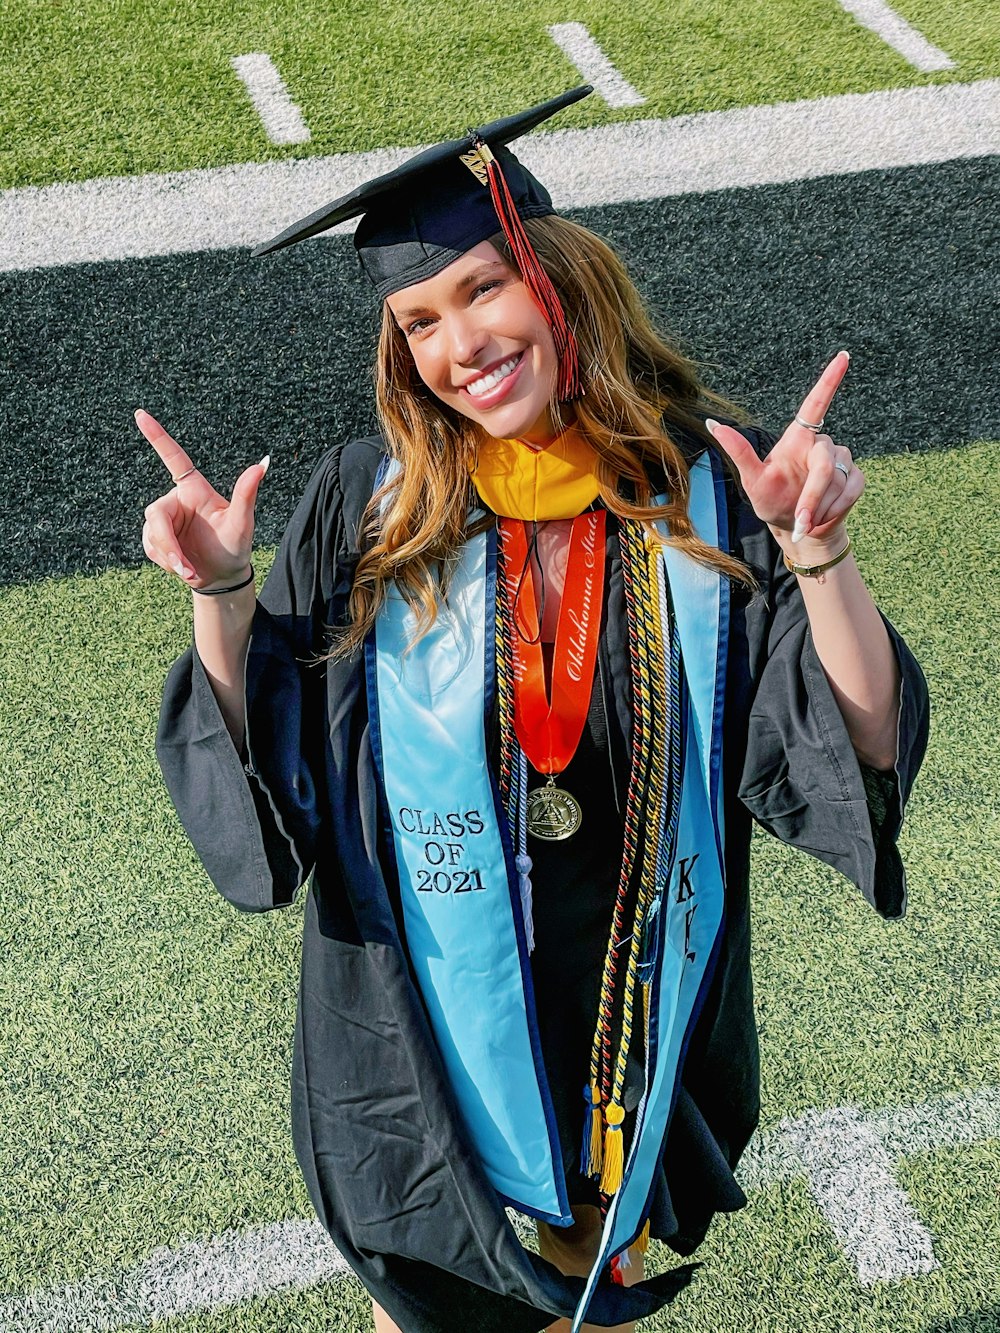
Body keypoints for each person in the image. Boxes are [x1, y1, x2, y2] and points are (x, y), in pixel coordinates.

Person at [139, 87, 929, 1333]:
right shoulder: (367, 504)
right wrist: (222, 593)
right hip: (427, 998)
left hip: (624, 977)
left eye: (484, 288)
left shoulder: (706, 495)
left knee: (589, 1267)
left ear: (562, 281)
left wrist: (818, 555)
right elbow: (265, 773)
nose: (460, 344)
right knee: (448, 1289)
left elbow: (856, 750)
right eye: (419, 321)